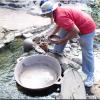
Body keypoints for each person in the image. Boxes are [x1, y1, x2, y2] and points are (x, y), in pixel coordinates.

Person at [40, 1, 96, 87]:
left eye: (45, 14)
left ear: (50, 12)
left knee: (87, 52)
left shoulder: (60, 16)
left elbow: (75, 31)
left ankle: (90, 76)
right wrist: (51, 35)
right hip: (77, 24)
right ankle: (58, 51)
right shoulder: (57, 12)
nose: (45, 15)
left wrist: (63, 40)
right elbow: (59, 25)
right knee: (63, 33)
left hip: (87, 28)